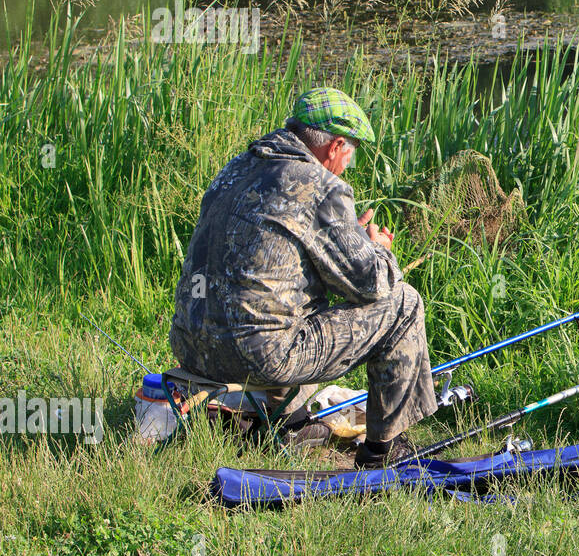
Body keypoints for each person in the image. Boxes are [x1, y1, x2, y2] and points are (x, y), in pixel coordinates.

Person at [169, 87, 438, 467]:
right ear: (335, 146)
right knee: (404, 303)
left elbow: (275, 261)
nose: (347, 166)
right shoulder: (319, 187)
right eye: (350, 155)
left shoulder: (235, 169)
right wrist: (377, 248)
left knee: (284, 312)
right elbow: (371, 283)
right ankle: (383, 453)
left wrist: (349, 239)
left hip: (194, 348)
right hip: (260, 357)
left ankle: (272, 422)